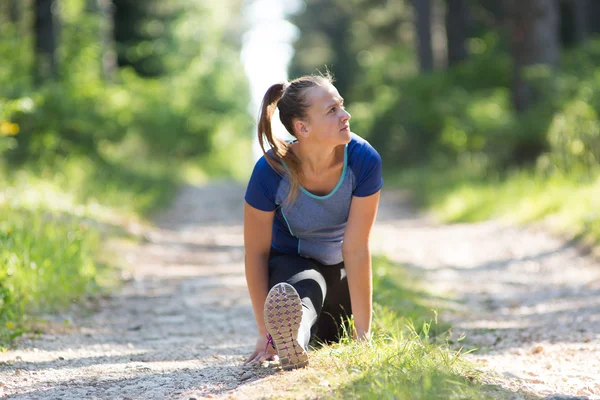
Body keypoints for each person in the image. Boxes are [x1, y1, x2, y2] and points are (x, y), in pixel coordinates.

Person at [243, 74, 383, 370]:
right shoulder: (270, 172)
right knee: (303, 289)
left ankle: (298, 339)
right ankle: (289, 338)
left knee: (333, 335)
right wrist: (265, 334)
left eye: (341, 106)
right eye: (332, 110)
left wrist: (364, 335)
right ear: (302, 128)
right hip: (292, 266)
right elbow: (256, 254)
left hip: (340, 271)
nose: (346, 115)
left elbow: (356, 249)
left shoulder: (363, 160)